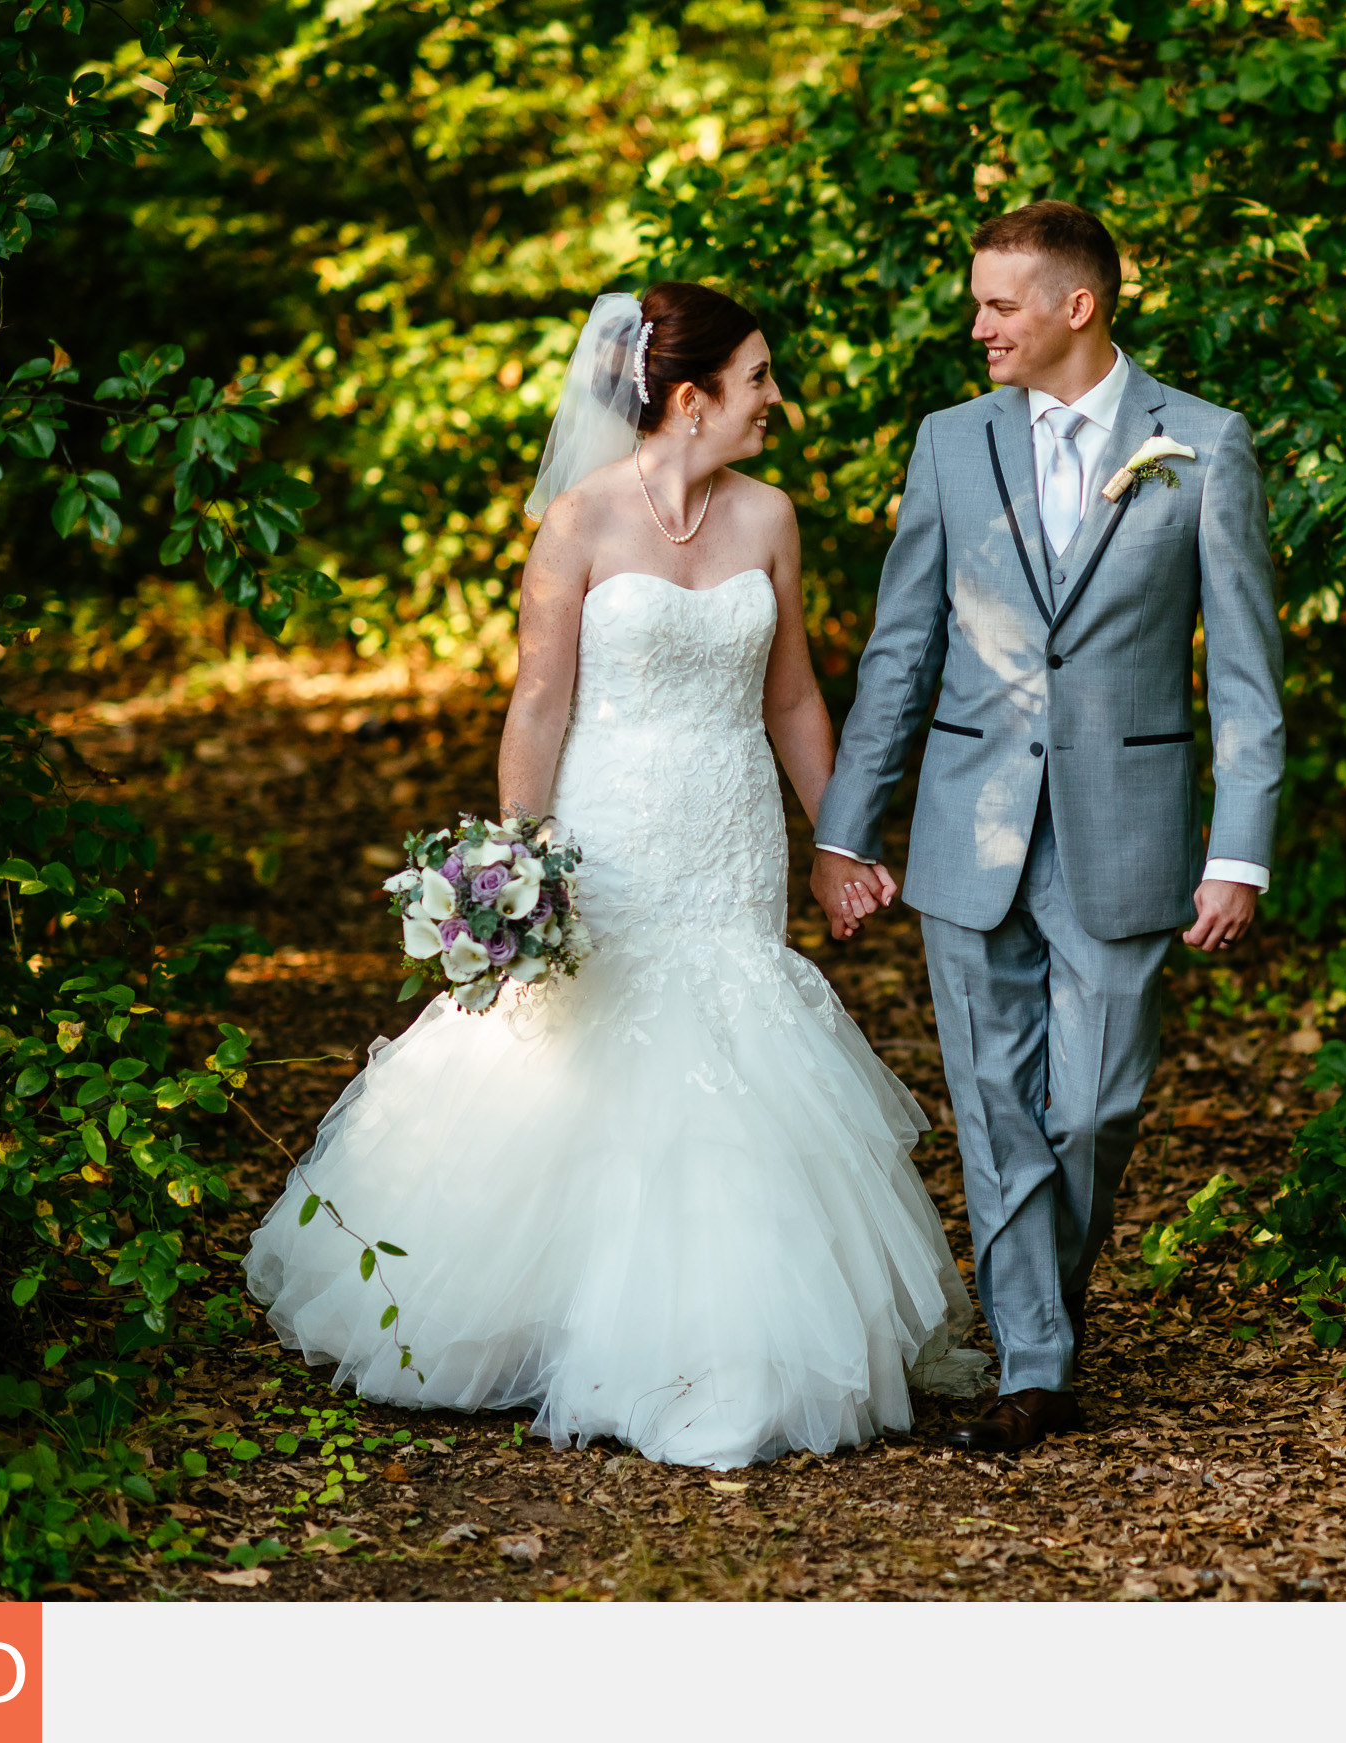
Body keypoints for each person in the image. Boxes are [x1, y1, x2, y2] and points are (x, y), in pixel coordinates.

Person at [243, 283, 983, 1470]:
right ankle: (544, 1320)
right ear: (689, 400)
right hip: (611, 829)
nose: (775, 401)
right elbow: (538, 702)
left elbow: (792, 693)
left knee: (733, 1046)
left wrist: (841, 842)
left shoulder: (771, 519)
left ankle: (732, 1343)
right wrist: (514, 863)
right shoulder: (579, 523)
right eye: (757, 381)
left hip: (731, 834)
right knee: (577, 1052)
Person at [812, 202, 1285, 1453]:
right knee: (991, 1100)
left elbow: (1243, 670)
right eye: (977, 304)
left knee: (1092, 1108)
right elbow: (902, 649)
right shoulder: (951, 444)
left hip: (1128, 830)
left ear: (1077, 307)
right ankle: (1034, 1361)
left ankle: (1041, 1320)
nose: (978, 327)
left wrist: (1238, 851)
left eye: (998, 305)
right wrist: (846, 830)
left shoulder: (1204, 443)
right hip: (971, 829)